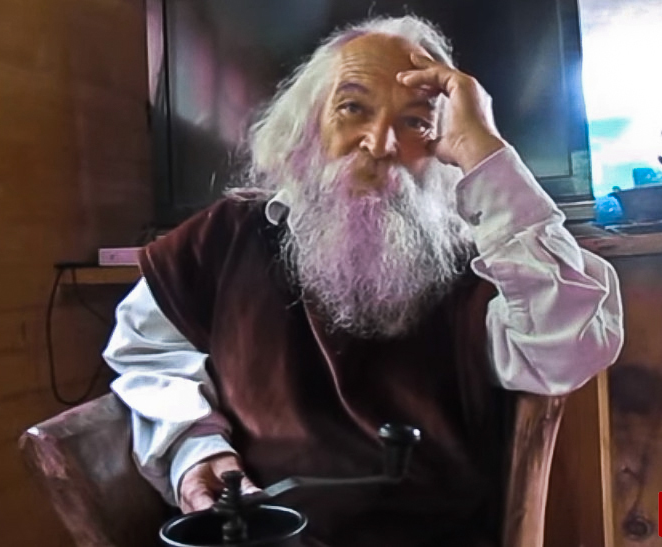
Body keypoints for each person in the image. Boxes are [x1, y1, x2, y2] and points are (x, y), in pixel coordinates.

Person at [103, 15, 623, 547]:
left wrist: (485, 153)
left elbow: (568, 349)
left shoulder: (484, 266)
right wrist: (195, 448)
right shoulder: (224, 237)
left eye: (416, 122)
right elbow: (146, 350)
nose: (379, 143)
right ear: (309, 125)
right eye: (353, 108)